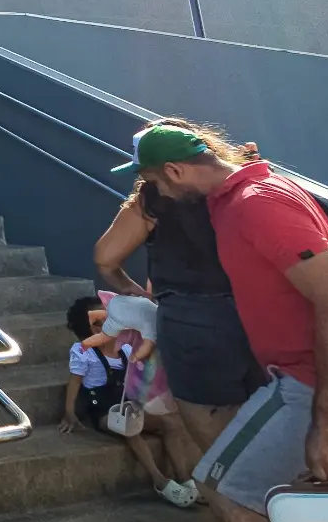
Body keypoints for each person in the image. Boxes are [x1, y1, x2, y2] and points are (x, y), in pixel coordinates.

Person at [118, 122, 328, 522]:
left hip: (327, 384)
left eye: (154, 181)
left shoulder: (256, 204)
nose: (158, 193)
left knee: (225, 486)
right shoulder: (249, 193)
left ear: (174, 171)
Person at [95, 119, 267, 455]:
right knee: (264, 425)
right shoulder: (241, 180)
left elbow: (105, 258)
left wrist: (130, 289)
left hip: (191, 321)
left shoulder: (152, 199)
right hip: (257, 314)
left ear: (168, 169)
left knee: (217, 445)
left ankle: (230, 486)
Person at [60, 295, 201, 508]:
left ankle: (184, 477)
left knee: (170, 423)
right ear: (95, 327)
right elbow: (75, 382)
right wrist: (69, 413)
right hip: (104, 411)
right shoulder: (85, 352)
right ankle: (159, 479)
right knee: (129, 426)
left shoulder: (126, 349)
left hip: (130, 405)